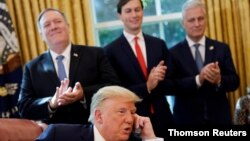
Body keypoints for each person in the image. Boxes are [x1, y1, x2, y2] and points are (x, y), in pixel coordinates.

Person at [17, 8, 120, 124]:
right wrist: (51, 103)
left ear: (68, 26)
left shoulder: (95, 54)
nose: (53, 26)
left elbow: (114, 87)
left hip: (94, 128)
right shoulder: (31, 68)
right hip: (55, 133)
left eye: (58, 21)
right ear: (41, 34)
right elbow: (23, 107)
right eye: (47, 25)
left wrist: (83, 94)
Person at [104, 0, 175, 139]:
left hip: (163, 117)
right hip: (132, 122)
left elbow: (172, 83)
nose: (134, 14)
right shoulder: (110, 51)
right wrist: (147, 86)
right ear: (120, 15)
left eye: (137, 10)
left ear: (142, 12)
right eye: (128, 11)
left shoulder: (158, 44)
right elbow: (115, 92)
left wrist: (161, 79)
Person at [169, 0, 239, 125]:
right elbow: (169, 86)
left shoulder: (221, 48)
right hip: (187, 124)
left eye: (200, 19)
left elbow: (235, 81)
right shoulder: (173, 53)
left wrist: (219, 80)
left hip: (219, 121)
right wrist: (197, 79)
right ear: (183, 23)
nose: (197, 24)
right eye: (191, 20)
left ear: (206, 20)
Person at [36, 86, 163, 141]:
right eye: (121, 112)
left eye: (132, 112)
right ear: (99, 116)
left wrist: (150, 138)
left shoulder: (135, 140)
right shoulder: (60, 135)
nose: (130, 119)